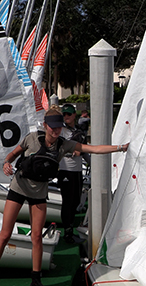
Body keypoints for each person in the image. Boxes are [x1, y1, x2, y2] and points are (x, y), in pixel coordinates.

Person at [0, 109, 129, 286]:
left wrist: (120, 148)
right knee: (5, 234)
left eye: (58, 127)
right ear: (45, 125)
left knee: (37, 236)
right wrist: (6, 163)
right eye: (52, 127)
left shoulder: (64, 145)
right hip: (19, 188)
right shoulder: (32, 138)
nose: (55, 131)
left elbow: (93, 149)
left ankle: (36, 279)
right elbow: (12, 155)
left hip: (39, 192)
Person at [58, 104, 90, 243]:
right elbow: (58, 148)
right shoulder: (60, 131)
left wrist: (92, 163)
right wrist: (72, 152)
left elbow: (83, 151)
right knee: (68, 201)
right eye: (64, 114)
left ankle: (70, 229)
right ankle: (68, 232)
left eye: (69, 114)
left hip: (77, 171)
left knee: (76, 201)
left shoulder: (79, 131)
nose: (66, 117)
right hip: (65, 170)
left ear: (74, 115)